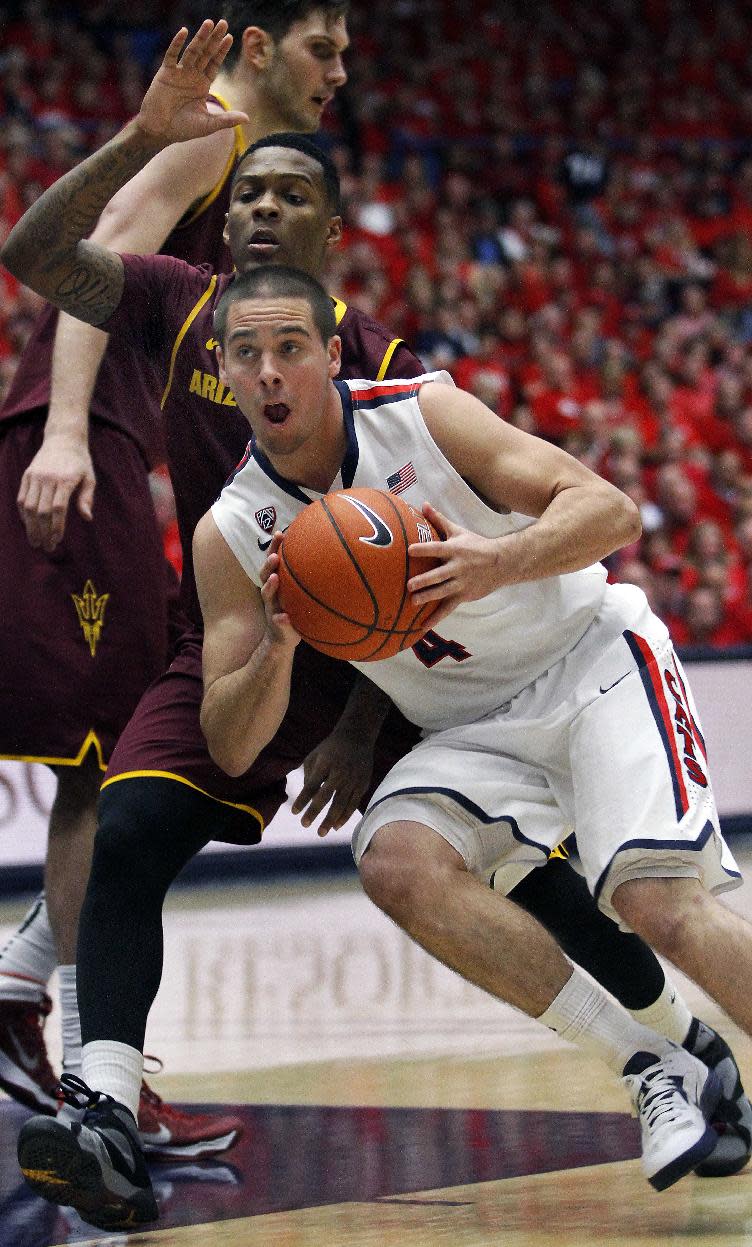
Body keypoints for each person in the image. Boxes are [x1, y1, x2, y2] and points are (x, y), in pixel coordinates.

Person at [1, 23, 748, 1227]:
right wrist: (141, 140)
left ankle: (673, 1050)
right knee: (135, 815)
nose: (252, 212)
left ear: (331, 242)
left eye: (285, 195)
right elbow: (40, 253)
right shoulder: (180, 309)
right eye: (240, 193)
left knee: (554, 883)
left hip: (396, 665)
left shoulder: (396, 376)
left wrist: (356, 715)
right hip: (258, 625)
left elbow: (582, 507)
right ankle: (103, 1102)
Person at [0, 0, 349, 1157]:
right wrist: (65, 431)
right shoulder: (218, 136)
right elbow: (94, 249)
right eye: (323, 48)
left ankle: (31, 987)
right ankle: (72, 1042)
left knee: (122, 735)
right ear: (257, 49)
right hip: (75, 428)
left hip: (108, 435)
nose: (339, 70)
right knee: (122, 746)